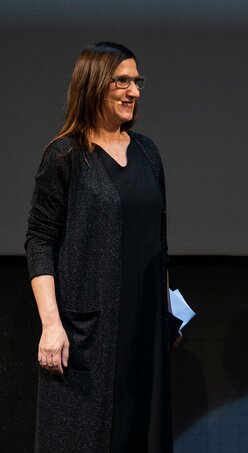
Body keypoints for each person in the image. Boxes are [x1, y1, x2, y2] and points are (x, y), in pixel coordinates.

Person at [25, 42, 180, 452]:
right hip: (91, 332)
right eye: (122, 81)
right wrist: (51, 325)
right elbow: (39, 241)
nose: (134, 92)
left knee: (141, 433)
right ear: (94, 84)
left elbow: (160, 241)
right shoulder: (65, 155)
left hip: (145, 327)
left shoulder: (147, 152)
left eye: (137, 82)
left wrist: (167, 311)